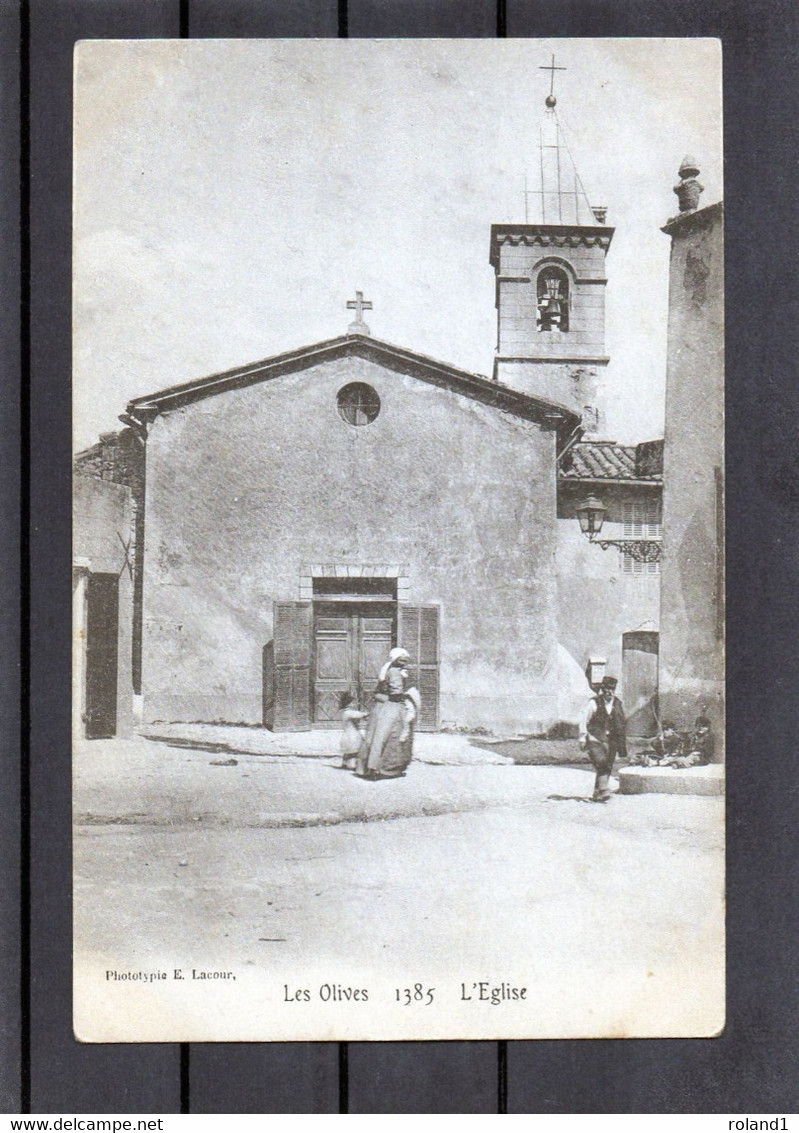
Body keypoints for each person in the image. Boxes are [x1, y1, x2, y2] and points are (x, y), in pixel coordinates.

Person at [356, 648, 420, 780]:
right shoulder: (395, 672)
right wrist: (408, 695)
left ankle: (369, 767)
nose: (404, 662)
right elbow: (396, 693)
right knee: (392, 737)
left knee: (376, 736)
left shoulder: (386, 670)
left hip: (381, 708)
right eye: (402, 660)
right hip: (393, 708)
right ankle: (386, 769)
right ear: (397, 660)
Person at [579, 675, 627, 802]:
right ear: (602, 689)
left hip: (611, 740)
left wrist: (621, 743)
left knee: (608, 765)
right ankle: (603, 789)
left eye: (611, 689)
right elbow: (584, 720)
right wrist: (583, 737)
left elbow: (621, 723)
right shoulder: (594, 702)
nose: (609, 692)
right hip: (595, 737)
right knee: (601, 762)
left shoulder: (617, 703)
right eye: (606, 689)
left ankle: (598, 791)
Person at [338, 690, 368, 770]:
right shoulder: (349, 712)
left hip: (347, 733)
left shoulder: (343, 712)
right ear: (349, 704)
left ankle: (344, 763)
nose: (355, 704)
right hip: (352, 734)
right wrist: (368, 714)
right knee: (354, 750)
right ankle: (353, 765)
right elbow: (359, 714)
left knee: (347, 751)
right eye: (353, 703)